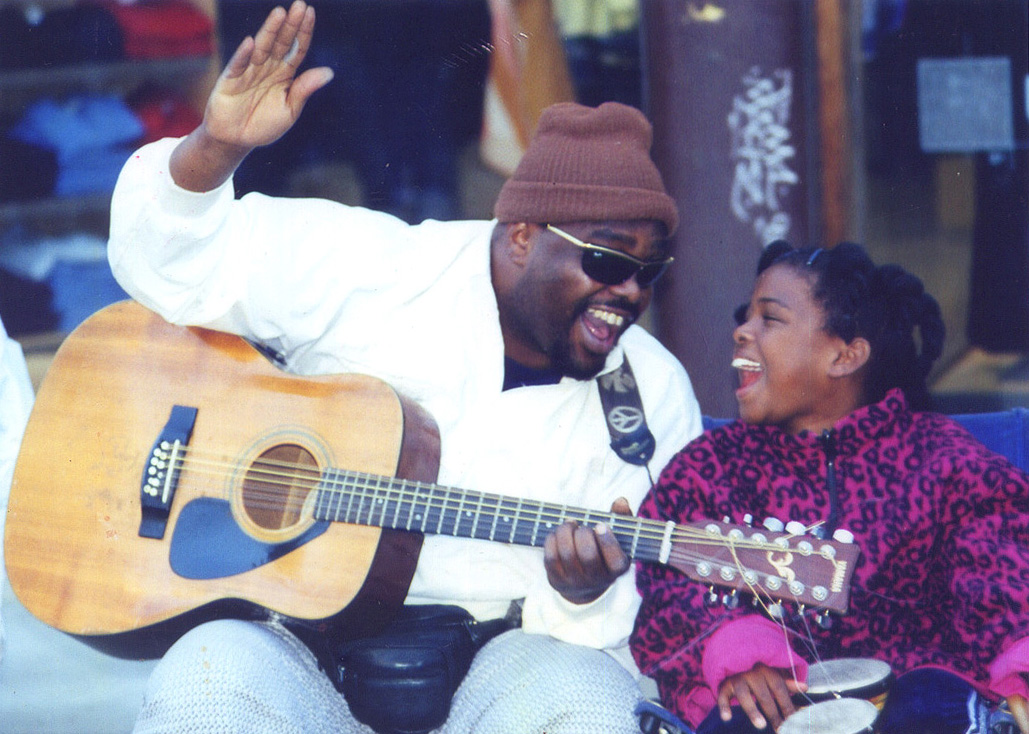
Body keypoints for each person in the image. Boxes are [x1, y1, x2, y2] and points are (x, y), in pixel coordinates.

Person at [106, 2, 702, 732]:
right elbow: (163, 266)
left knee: (589, 714)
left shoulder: (649, 394)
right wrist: (213, 148)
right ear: (521, 236)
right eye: (607, 262)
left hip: (511, 654)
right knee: (203, 692)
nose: (630, 293)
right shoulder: (372, 266)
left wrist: (584, 593)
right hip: (293, 635)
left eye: (649, 272)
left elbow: (653, 619)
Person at [629, 240, 1029, 734]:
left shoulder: (944, 461)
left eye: (769, 318)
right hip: (767, 708)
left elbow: (1000, 576)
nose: (742, 332)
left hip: (913, 705)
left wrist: (1019, 662)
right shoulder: (708, 467)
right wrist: (735, 647)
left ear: (845, 354)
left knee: (934, 699)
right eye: (745, 317)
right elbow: (664, 593)